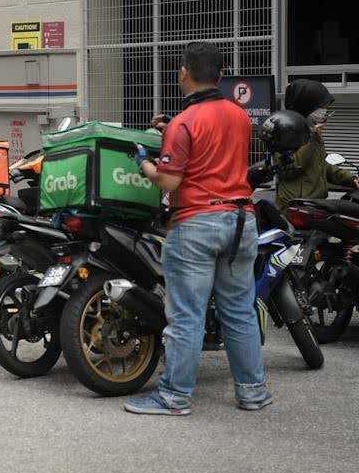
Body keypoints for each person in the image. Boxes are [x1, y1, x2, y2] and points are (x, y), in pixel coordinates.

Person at [127, 41, 271, 415]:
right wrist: (170, 132)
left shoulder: (184, 122)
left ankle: (174, 397)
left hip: (196, 224)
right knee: (239, 311)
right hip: (241, 221)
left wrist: (144, 162)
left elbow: (169, 182)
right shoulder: (239, 115)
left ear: (183, 73)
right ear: (221, 76)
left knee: (187, 314)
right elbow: (215, 150)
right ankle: (253, 393)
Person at [275, 79, 359, 209]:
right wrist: (311, 137)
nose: (324, 110)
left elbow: (321, 165)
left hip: (315, 206)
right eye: (320, 106)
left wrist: (351, 178)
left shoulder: (310, 130)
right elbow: (290, 168)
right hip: (295, 208)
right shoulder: (284, 130)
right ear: (305, 105)